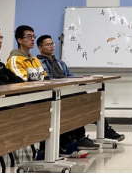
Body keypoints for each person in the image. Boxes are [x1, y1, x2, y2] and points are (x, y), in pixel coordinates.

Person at [7, 26, 88, 160]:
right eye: (29, 37)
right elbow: (23, 83)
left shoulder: (34, 60)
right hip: (27, 100)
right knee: (61, 106)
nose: (32, 39)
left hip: (42, 96)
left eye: (33, 36)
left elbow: (45, 78)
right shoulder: (15, 59)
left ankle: (63, 145)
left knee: (70, 103)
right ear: (19, 40)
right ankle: (54, 148)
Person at [37, 35, 126, 147]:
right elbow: (47, 80)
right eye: (48, 44)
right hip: (55, 93)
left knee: (87, 100)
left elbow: (69, 75)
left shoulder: (60, 62)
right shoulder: (38, 63)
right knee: (79, 104)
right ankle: (81, 137)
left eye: (52, 44)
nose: (51, 46)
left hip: (67, 90)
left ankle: (103, 130)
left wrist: (83, 78)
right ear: (40, 48)